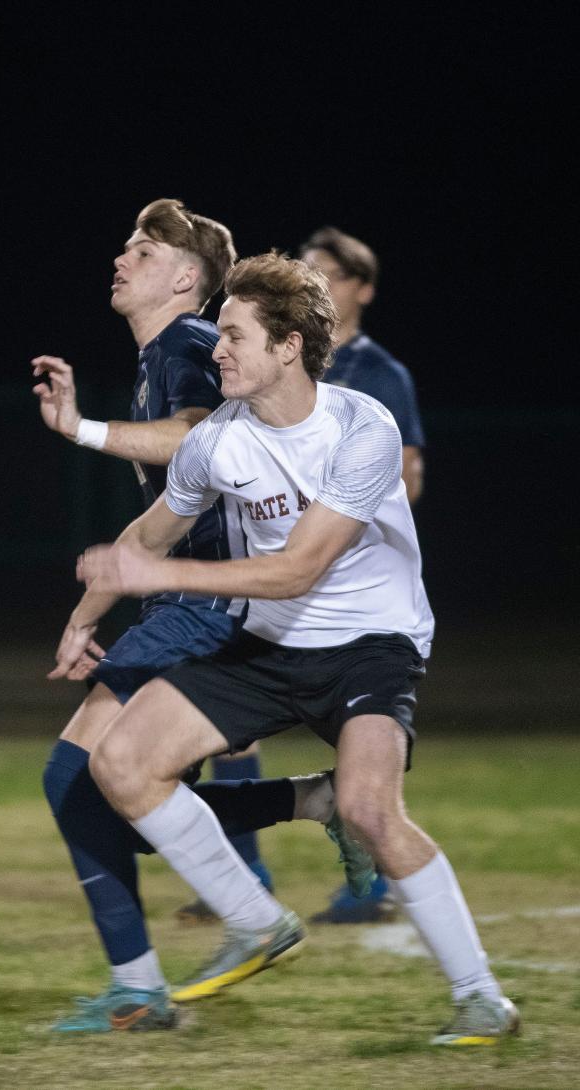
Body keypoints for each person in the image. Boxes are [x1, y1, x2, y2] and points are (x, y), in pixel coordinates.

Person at [72, 250, 519, 1045]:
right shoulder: (216, 441)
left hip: (371, 646)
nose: (216, 351)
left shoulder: (361, 427)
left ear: (287, 347)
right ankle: (254, 921)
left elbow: (299, 568)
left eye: (234, 336)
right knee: (119, 763)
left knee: (370, 810)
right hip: (270, 645)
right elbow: (149, 533)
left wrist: (157, 572)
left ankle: (482, 997)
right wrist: (87, 614)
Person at [34, 201, 369, 1033]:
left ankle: (172, 970)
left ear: (186, 278)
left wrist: (80, 427)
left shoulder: (187, 346)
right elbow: (155, 523)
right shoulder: (161, 356)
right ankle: (317, 804)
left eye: (142, 250)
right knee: (127, 803)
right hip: (185, 603)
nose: (122, 258)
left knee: (82, 781)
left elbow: (190, 440)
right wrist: (88, 613)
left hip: (206, 605)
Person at [299, 225, 427, 923]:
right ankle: (245, 873)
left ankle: (375, 879)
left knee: (361, 725)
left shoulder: (381, 374)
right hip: (283, 564)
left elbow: (409, 477)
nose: (315, 282)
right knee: (225, 699)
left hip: (346, 577)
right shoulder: (288, 362)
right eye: (306, 271)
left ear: (362, 288)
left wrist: (336, 515)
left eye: (329, 273)